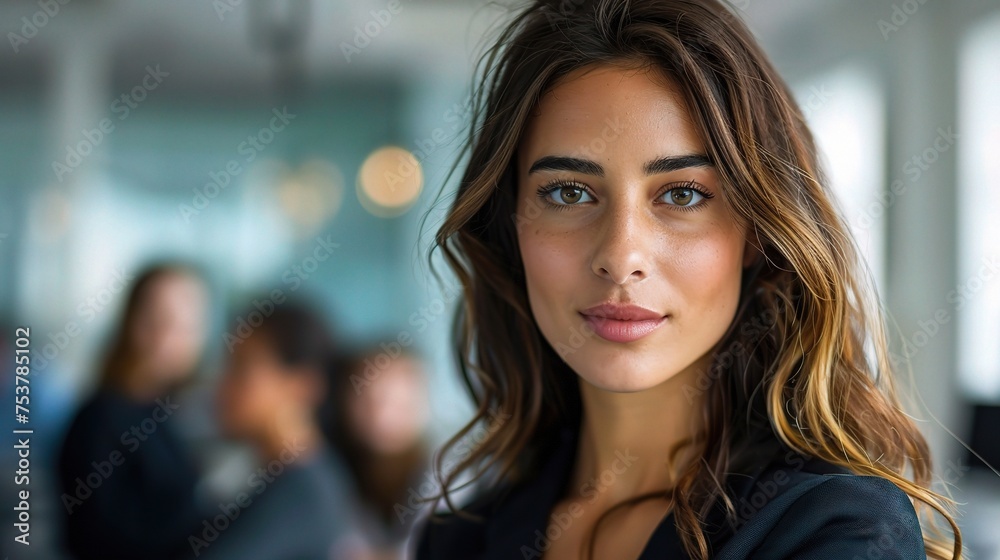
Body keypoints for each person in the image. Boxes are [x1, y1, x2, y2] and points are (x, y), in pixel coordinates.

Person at [413, 1, 963, 559]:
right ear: (511, 225)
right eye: (568, 192)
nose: (620, 256)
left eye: (683, 194)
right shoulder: (457, 539)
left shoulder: (832, 529)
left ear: (758, 235)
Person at [57, 263, 212, 560]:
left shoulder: (165, 414)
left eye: (187, 324)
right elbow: (101, 537)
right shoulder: (101, 420)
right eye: (159, 319)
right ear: (132, 321)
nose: (170, 336)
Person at [197, 300, 360, 560]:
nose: (221, 386)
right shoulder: (283, 477)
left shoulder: (301, 493)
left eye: (241, 368)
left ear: (303, 385)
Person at [328, 343, 432, 560]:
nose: (380, 413)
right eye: (367, 398)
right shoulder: (327, 469)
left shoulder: (450, 471)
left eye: (396, 401)